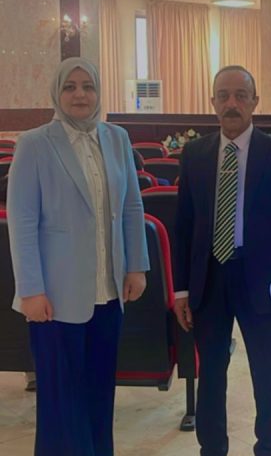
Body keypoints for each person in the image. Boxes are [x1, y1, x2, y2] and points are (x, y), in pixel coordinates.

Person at [7, 57, 149, 456]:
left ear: (99, 91)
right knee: (61, 402)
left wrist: (136, 265)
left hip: (108, 291)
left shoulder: (117, 138)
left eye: (88, 86)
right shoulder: (35, 144)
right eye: (70, 86)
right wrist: (31, 290)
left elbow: (132, 206)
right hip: (54, 297)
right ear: (57, 92)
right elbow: (22, 222)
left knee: (99, 394)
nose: (80, 94)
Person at [173, 65, 271, 456]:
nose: (231, 103)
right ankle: (212, 448)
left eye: (240, 95)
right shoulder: (195, 154)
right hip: (208, 280)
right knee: (211, 373)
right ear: (212, 102)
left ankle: (269, 446)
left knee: (266, 371)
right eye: (224, 96)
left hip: (262, 280)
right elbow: (183, 227)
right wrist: (181, 289)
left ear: (255, 102)